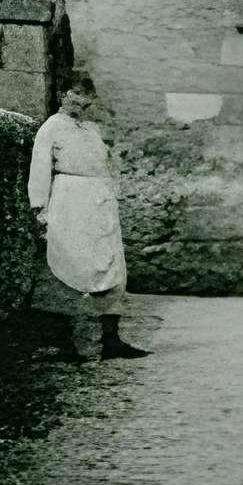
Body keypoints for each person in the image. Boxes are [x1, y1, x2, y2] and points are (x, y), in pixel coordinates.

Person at [28, 71, 146, 362]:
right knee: (68, 264)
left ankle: (111, 341)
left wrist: (109, 192)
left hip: (99, 202)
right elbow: (40, 169)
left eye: (87, 95)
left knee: (110, 265)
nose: (82, 101)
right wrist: (39, 208)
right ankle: (66, 345)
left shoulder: (91, 130)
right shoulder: (50, 128)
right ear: (63, 95)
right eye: (76, 94)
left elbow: (103, 166)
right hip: (69, 202)